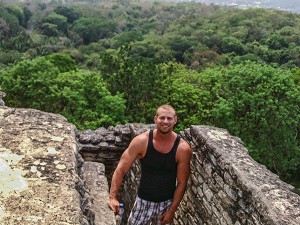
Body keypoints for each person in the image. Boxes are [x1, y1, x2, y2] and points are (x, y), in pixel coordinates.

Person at [108, 105, 192, 225]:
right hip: (143, 201)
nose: (165, 122)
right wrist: (112, 197)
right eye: (162, 118)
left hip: (166, 204)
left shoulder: (182, 149)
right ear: (155, 119)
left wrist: (172, 210)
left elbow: (182, 182)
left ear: (175, 120)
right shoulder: (142, 141)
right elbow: (121, 169)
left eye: (169, 118)